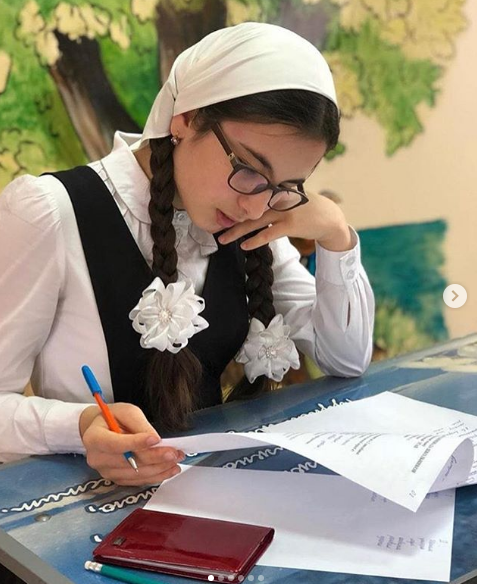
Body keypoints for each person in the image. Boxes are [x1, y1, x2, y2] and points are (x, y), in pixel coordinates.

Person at [0, 22, 375, 487]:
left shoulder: (255, 218)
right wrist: (78, 426)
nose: (256, 205)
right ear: (186, 118)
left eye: (286, 185)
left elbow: (347, 361)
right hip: (84, 509)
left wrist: (336, 236)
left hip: (213, 494)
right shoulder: (50, 211)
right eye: (249, 169)